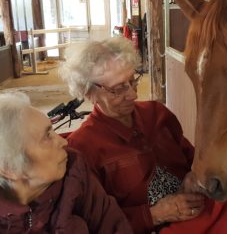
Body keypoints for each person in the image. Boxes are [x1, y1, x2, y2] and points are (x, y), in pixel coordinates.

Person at [60, 37, 227, 234]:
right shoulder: (82, 147)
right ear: (89, 93)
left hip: (204, 208)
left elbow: (193, 158)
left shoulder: (156, 113)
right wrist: (153, 214)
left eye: (133, 81)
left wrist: (193, 176)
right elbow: (93, 224)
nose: (132, 94)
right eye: (118, 89)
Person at [0, 92, 133, 234]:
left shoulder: (73, 170)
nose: (64, 141)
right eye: (47, 137)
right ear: (10, 168)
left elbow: (114, 226)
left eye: (53, 131)